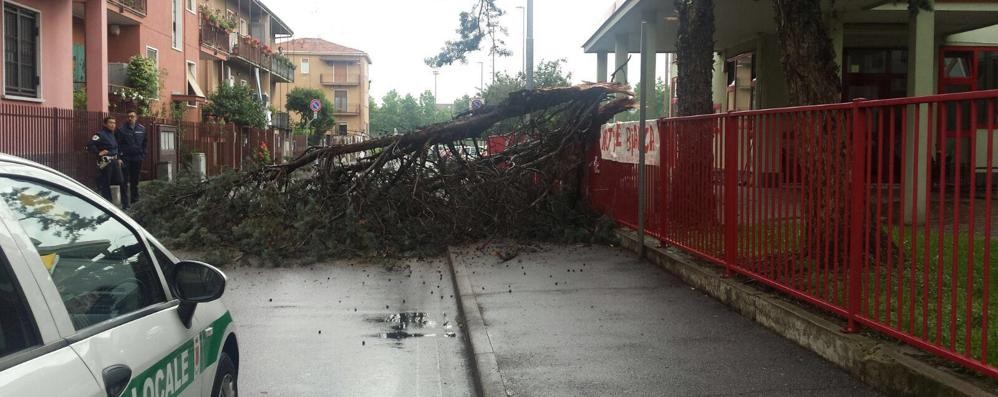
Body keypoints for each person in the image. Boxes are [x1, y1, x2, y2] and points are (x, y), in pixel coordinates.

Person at [87, 117, 127, 205]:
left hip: (115, 161)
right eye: (110, 123)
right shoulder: (100, 134)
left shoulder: (114, 134)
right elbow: (90, 145)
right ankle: (108, 204)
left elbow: (117, 148)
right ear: (105, 124)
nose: (113, 125)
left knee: (121, 182)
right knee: (106, 184)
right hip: (106, 162)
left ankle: (125, 205)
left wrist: (119, 158)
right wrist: (98, 152)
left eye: (114, 123)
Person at [116, 111, 147, 207]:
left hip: (137, 158)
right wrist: (119, 157)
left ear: (136, 117)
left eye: (132, 116)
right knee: (124, 181)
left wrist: (143, 153)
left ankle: (135, 201)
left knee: (135, 180)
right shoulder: (121, 129)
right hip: (125, 158)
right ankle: (125, 204)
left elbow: (145, 142)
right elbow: (117, 144)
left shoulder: (142, 129)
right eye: (129, 116)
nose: (130, 118)